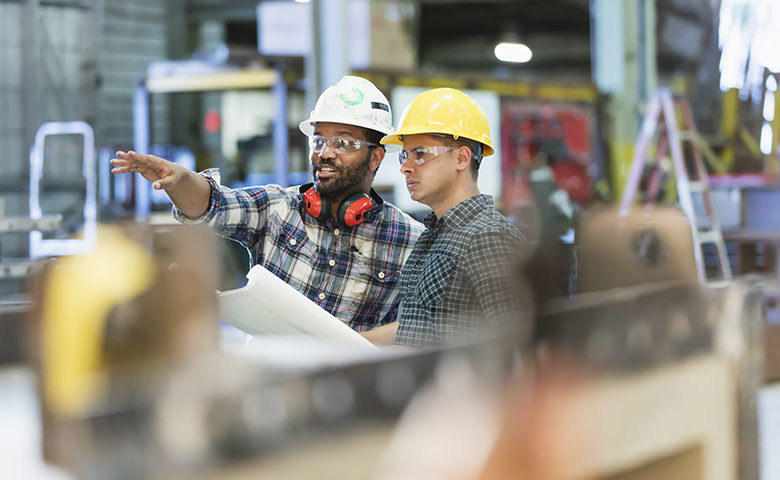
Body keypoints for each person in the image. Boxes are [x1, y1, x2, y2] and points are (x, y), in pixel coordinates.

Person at [111, 76, 423, 332]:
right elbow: (213, 204)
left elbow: (415, 331)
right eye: (318, 140)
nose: (325, 153)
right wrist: (179, 180)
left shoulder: (410, 240)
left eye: (342, 142)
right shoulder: (277, 208)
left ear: (377, 156)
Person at [360, 88, 530, 348]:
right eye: (405, 155)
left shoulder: (488, 238)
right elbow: (416, 327)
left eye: (420, 154)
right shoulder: (434, 235)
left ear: (461, 158)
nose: (405, 166)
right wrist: (346, 343)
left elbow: (520, 341)